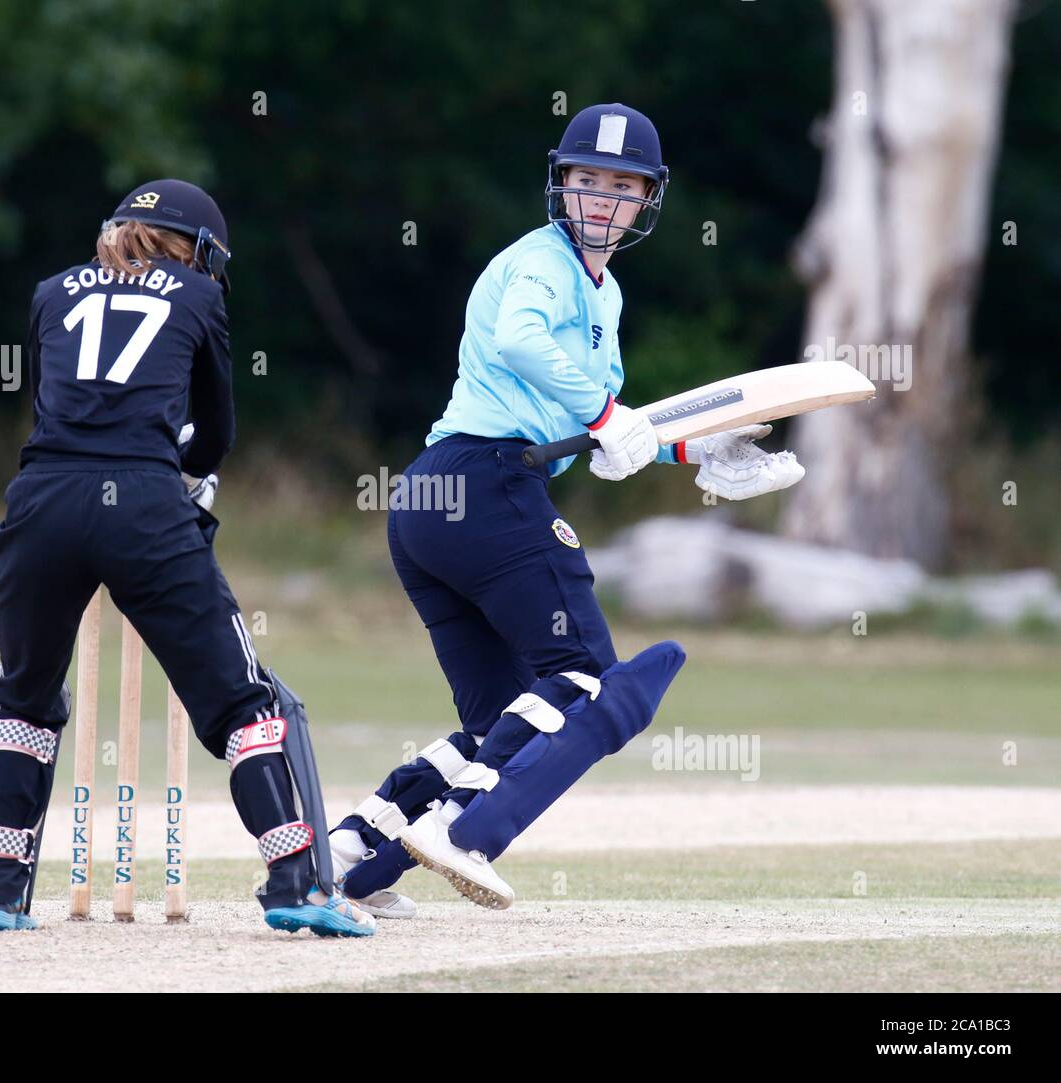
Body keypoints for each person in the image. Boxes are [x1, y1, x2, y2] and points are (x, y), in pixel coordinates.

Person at [329, 104, 803, 914]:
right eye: (587, 180)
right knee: (580, 677)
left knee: (500, 725)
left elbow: (601, 420)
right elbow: (523, 346)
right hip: (487, 486)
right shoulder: (544, 264)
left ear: (647, 199)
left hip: (430, 500)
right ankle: (460, 828)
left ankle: (353, 855)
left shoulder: (603, 291)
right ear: (561, 184)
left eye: (621, 186)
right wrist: (607, 418)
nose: (600, 200)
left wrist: (695, 452)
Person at [0, 179, 374, 937]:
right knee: (244, 703)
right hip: (144, 505)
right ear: (196, 250)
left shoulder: (51, 292)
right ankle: (294, 881)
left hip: (40, 501)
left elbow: (64, 406)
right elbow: (214, 432)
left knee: (23, 694)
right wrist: (183, 470)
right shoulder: (198, 298)